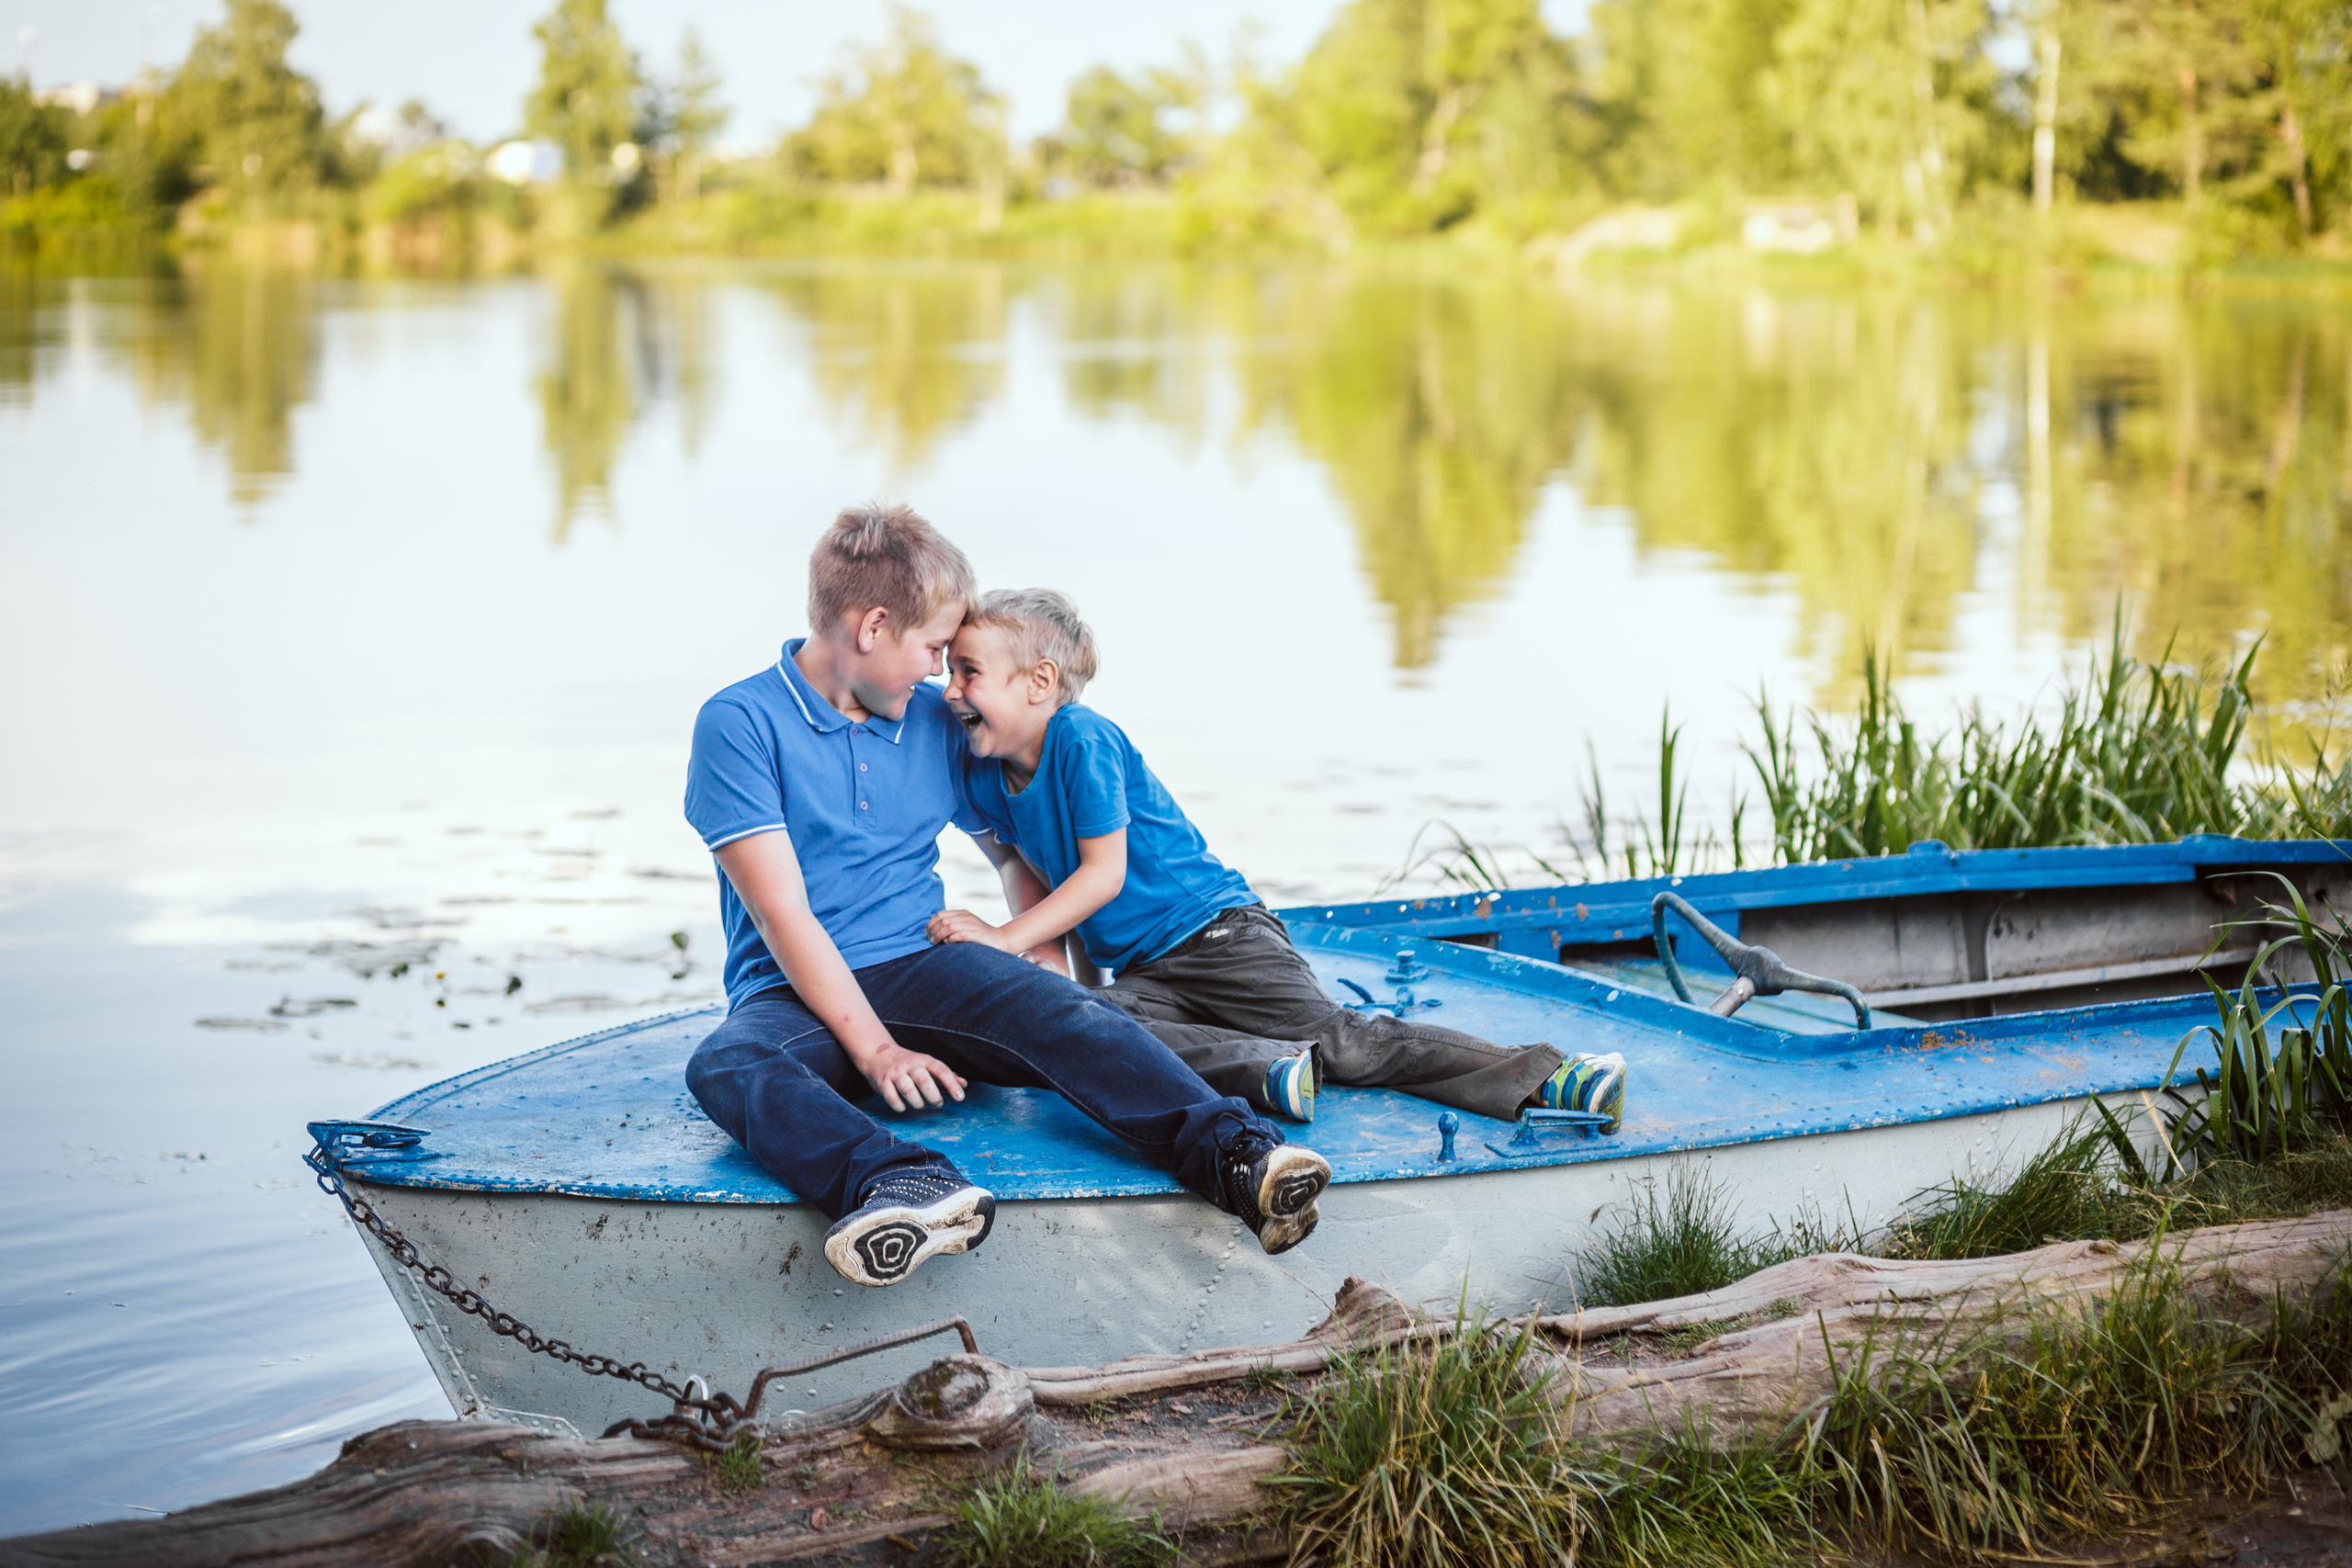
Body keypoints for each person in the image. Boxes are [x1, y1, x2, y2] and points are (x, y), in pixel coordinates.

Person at [681, 506, 1330, 1291]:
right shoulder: (740, 722)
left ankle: (1237, 1155)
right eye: (929, 649)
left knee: (1066, 1011)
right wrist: (877, 1050)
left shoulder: (929, 722)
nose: (936, 673)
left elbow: (1011, 855)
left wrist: (1037, 964)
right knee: (726, 1061)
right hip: (793, 991)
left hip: (920, 965)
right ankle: (901, 1184)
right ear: (872, 626)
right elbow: (782, 912)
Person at [927, 588, 1627, 1130]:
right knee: (1092, 1029)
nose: (951, 688)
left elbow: (1102, 876)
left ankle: (1548, 1075)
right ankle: (1265, 1068)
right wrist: (1081, 988)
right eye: (949, 669)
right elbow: (1050, 889)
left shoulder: (1081, 737)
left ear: (1039, 682)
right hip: (1149, 971)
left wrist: (1000, 939)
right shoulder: (992, 776)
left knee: (1346, 1044)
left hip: (1219, 936)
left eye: (969, 671)